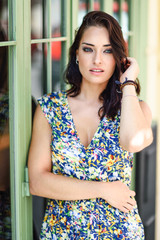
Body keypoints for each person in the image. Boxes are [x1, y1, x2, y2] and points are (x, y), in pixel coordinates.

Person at [28, 11, 153, 239]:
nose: (97, 60)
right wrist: (103, 190)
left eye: (107, 51)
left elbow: (132, 142)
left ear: (118, 57)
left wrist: (128, 84)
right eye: (88, 49)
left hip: (121, 233)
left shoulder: (134, 108)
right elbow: (37, 182)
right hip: (62, 233)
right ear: (77, 54)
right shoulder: (50, 108)